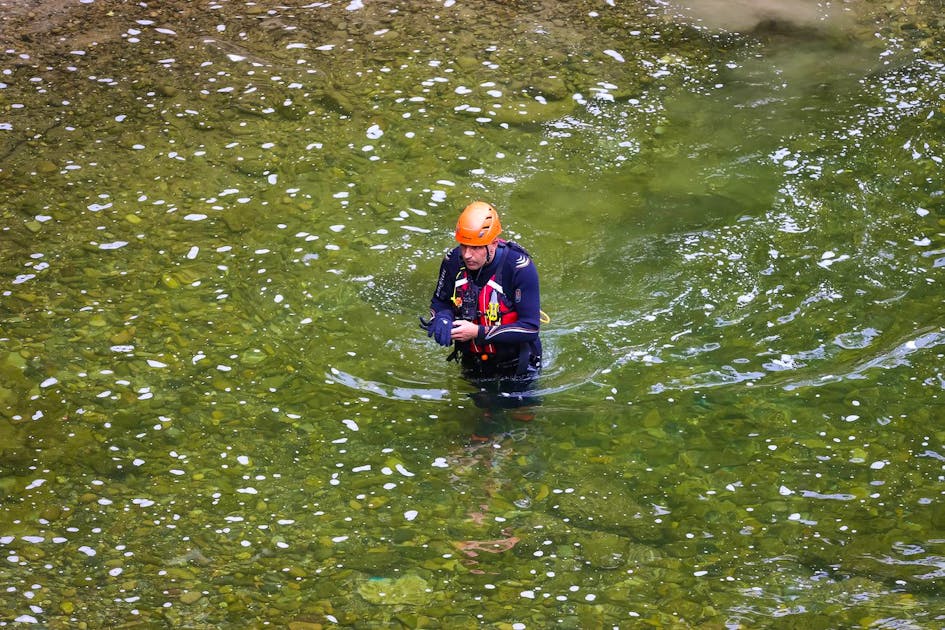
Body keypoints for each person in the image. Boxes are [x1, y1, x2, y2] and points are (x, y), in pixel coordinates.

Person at [424, 201, 543, 437]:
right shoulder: (452, 261)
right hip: (475, 360)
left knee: (522, 416)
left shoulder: (519, 267)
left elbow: (531, 328)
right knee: (485, 413)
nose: (467, 254)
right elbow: (439, 301)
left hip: (517, 362)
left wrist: (477, 332)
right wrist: (442, 318)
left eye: (476, 247)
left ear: (494, 243)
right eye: (463, 245)